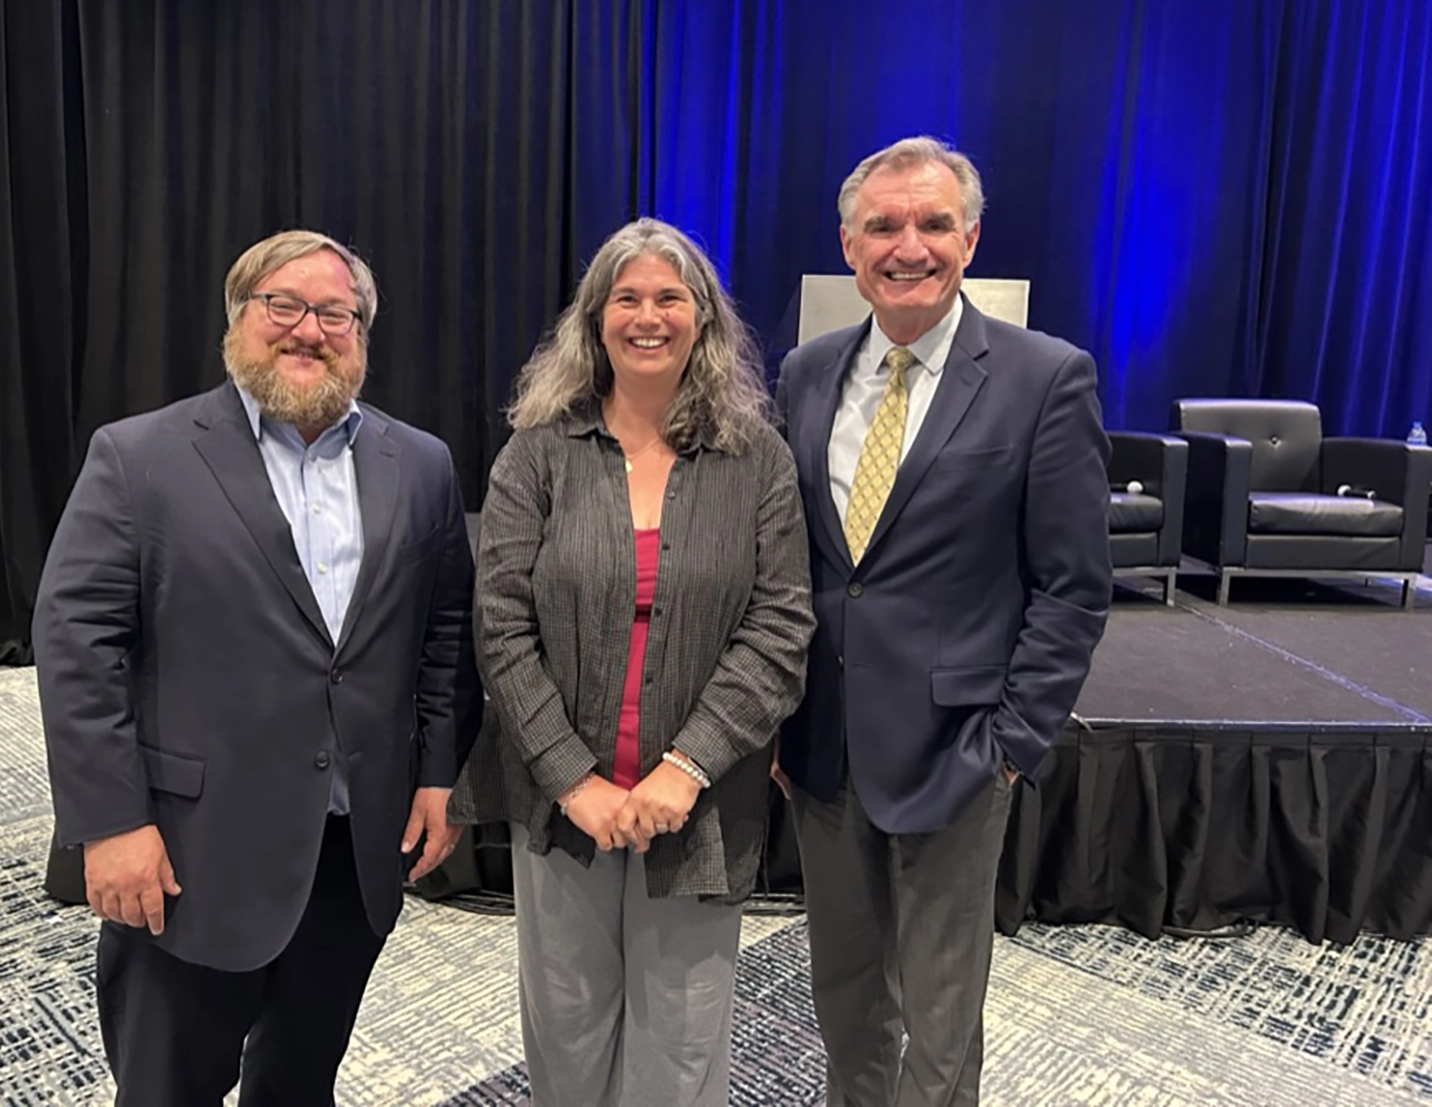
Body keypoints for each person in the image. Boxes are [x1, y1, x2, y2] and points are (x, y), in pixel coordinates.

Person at [32, 229, 482, 1106]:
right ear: (238, 320)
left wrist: (437, 777)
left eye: (334, 312)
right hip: (189, 856)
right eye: (283, 305)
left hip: (351, 852)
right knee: (170, 1087)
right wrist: (109, 821)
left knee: (301, 1082)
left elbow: (444, 631)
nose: (307, 329)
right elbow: (77, 642)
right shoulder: (141, 457)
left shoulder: (420, 465)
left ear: (362, 331)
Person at [774, 137, 1111, 1107]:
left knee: (938, 1012)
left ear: (967, 239)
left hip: (959, 751)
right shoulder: (805, 372)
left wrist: (1011, 743)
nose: (905, 245)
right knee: (842, 998)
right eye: (881, 226)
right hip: (822, 746)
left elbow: (1072, 585)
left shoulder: (1043, 377)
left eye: (929, 223)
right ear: (848, 244)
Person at [449, 218, 814, 1106]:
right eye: (627, 297)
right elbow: (500, 624)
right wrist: (575, 779)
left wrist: (685, 769)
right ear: (595, 318)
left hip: (699, 804)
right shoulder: (538, 450)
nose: (647, 316)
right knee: (567, 1024)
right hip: (561, 798)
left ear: (703, 320)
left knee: (683, 1038)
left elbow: (780, 623)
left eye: (668, 297)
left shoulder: (756, 458)